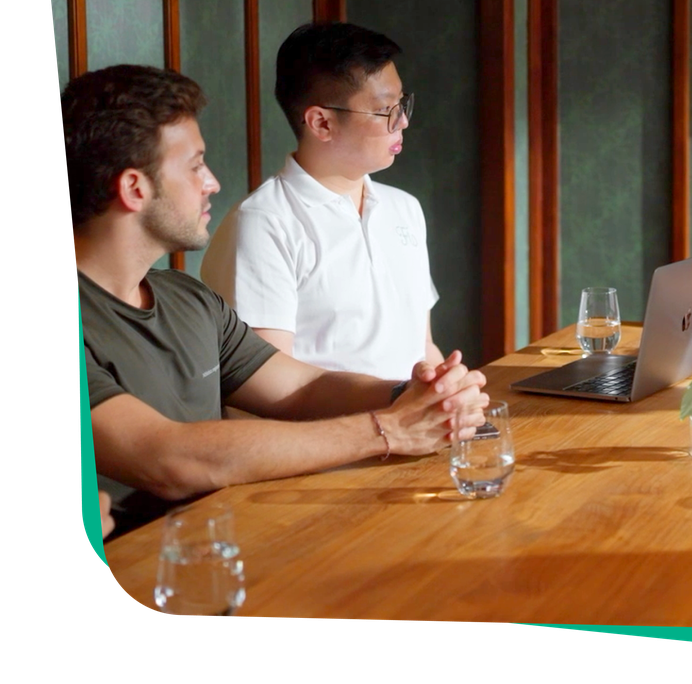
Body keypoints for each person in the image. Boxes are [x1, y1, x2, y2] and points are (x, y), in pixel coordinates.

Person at [68, 65, 487, 536]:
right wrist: (389, 428)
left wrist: (419, 394)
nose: (212, 182)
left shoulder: (186, 297)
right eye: (194, 166)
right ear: (134, 189)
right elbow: (169, 458)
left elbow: (301, 389)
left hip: (227, 546)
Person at [201, 23, 441, 381]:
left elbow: (421, 347)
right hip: (335, 432)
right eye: (385, 110)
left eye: (402, 103)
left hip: (417, 426)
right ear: (321, 123)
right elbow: (266, 387)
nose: (403, 121)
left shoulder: (404, 208)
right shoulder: (264, 222)